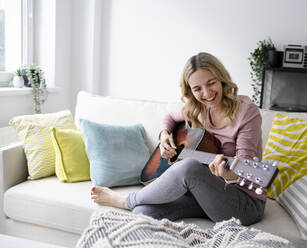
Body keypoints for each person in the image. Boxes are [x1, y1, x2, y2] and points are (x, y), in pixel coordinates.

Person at [91, 52, 265, 225]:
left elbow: (246, 166)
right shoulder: (200, 108)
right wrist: (164, 135)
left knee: (189, 166)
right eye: (197, 89)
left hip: (243, 203)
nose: (206, 93)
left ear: (222, 79)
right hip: (203, 195)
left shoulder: (246, 111)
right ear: (190, 90)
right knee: (142, 212)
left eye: (211, 83)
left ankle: (125, 200)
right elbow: (170, 118)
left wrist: (229, 173)